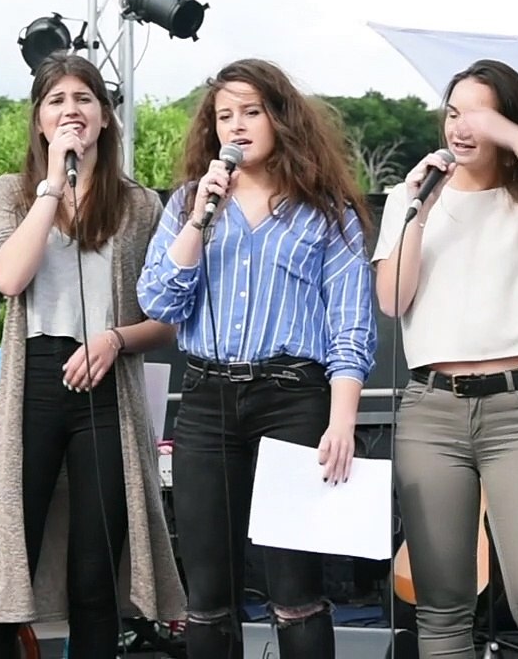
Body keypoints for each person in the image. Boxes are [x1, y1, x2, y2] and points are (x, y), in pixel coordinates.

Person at [137, 57, 378, 658]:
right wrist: (199, 217)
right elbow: (161, 302)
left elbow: (351, 325)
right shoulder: (192, 202)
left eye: (251, 111)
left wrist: (341, 420)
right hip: (206, 401)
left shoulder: (327, 211)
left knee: (294, 586)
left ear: (280, 118)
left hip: (292, 397)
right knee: (207, 591)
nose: (236, 126)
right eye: (224, 115)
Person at [373, 59, 518, 658]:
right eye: (453, 113)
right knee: (442, 607)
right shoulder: (410, 195)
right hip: (432, 410)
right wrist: (419, 212)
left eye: (479, 115)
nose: (462, 127)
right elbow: (393, 300)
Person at [0, 53, 186, 658]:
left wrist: (114, 340)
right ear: (39, 120)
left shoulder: (140, 205)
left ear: (105, 117)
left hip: (108, 388)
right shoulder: (13, 193)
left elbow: (167, 320)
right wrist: (51, 188)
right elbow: (9, 279)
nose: (71, 111)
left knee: (95, 576)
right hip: (34, 383)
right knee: (7, 563)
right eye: (57, 101)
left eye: (84, 99)